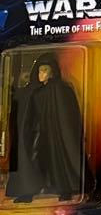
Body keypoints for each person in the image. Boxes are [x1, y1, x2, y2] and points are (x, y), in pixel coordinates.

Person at [5, 51, 84, 202]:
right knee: (31, 159)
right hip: (37, 132)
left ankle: (65, 190)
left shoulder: (62, 90)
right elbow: (25, 111)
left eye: (45, 70)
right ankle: (28, 192)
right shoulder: (32, 90)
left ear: (52, 72)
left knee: (59, 159)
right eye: (40, 70)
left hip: (55, 133)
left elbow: (68, 117)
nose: (41, 74)